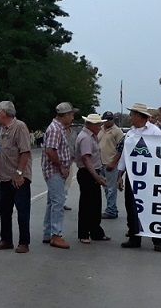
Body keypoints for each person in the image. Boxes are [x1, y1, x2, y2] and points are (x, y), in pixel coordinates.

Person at [119, 103, 161, 251]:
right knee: (131, 207)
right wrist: (120, 173)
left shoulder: (155, 132)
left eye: (132, 114)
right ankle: (134, 237)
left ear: (139, 116)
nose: (130, 117)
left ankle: (157, 240)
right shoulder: (130, 133)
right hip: (133, 176)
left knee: (152, 207)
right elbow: (125, 156)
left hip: (150, 176)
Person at [0, 100, 32, 254]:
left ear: (4, 112)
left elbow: (25, 151)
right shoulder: (3, 129)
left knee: (22, 210)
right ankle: (6, 239)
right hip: (5, 177)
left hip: (18, 177)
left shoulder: (19, 127)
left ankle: (24, 242)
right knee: (4, 209)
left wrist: (20, 173)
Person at [41, 102, 74, 249]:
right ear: (65, 115)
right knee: (58, 202)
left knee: (52, 201)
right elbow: (50, 150)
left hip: (56, 170)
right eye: (71, 114)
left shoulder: (58, 128)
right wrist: (61, 166)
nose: (72, 118)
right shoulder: (55, 129)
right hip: (54, 170)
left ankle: (48, 232)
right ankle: (56, 234)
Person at [76, 113, 109, 244]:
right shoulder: (85, 138)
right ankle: (84, 233)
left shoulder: (91, 136)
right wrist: (96, 176)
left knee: (95, 204)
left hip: (92, 171)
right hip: (87, 172)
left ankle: (95, 231)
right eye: (99, 125)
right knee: (87, 204)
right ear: (92, 125)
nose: (101, 127)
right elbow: (86, 158)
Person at [98, 111, 124, 220]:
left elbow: (121, 149)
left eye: (110, 119)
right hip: (100, 163)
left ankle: (111, 210)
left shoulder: (117, 131)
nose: (108, 121)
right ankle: (110, 208)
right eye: (106, 119)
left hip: (111, 163)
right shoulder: (100, 129)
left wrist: (114, 163)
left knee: (111, 189)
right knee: (106, 188)